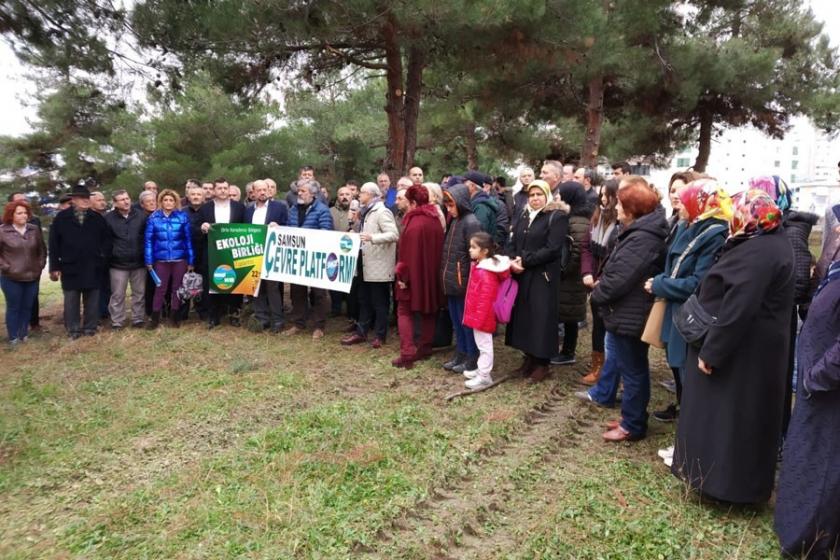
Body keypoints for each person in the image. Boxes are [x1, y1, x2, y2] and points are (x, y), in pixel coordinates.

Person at [671, 189, 794, 503]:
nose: (731, 219)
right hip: (752, 352)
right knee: (729, 419)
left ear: (750, 216)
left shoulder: (760, 251)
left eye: (736, 213)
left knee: (729, 422)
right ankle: (715, 481)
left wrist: (713, 352)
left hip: (743, 356)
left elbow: (739, 306)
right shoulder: (767, 241)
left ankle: (724, 487)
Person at [575, 177, 667, 442]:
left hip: (631, 312)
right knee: (630, 367)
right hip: (625, 311)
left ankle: (633, 424)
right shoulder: (638, 232)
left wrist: (598, 293)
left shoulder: (643, 238)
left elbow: (620, 278)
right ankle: (630, 417)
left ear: (632, 209)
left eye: (620, 204)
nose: (614, 207)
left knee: (633, 371)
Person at [646, 180, 729, 467]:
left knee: (689, 381)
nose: (677, 203)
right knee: (681, 378)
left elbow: (697, 282)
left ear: (700, 202)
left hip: (689, 314)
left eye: (684, 199)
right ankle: (684, 440)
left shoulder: (714, 233)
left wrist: (660, 284)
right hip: (676, 312)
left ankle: (689, 446)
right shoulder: (688, 225)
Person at [774, 260, 840, 560]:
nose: (837, 231)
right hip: (815, 387)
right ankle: (794, 529)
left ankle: (809, 542)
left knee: (822, 468)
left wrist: (818, 377)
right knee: (805, 457)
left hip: (828, 392)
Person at [504, 180, 568, 383]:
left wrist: (526, 260)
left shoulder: (556, 217)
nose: (535, 198)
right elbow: (513, 241)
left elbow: (552, 248)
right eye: (532, 195)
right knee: (525, 316)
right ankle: (529, 357)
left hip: (543, 275)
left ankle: (542, 363)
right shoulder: (524, 215)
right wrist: (512, 259)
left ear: (547, 195)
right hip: (522, 273)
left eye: (539, 194)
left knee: (541, 318)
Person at [393, 185, 445, 368]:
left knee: (404, 311)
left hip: (412, 277)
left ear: (413, 202)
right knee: (429, 310)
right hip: (430, 275)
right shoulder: (435, 221)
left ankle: (407, 352)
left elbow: (406, 255)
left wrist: (401, 278)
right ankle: (425, 346)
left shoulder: (412, 224)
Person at [48, 184, 110, 339]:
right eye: (81, 198)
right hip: (70, 265)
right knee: (71, 300)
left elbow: (107, 241)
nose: (85, 201)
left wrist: (102, 257)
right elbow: (54, 244)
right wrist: (54, 266)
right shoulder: (61, 218)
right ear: (73, 200)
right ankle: (73, 330)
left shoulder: (97, 218)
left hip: (93, 265)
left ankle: (90, 328)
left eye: (87, 198)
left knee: (92, 299)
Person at [341, 183, 398, 348]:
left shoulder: (382, 212)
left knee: (380, 303)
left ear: (372, 195)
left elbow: (393, 234)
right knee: (363, 299)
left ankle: (380, 335)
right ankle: (361, 332)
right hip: (365, 263)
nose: (359, 195)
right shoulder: (364, 212)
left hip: (379, 265)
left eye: (363, 192)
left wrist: (372, 238)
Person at [579, 180, 620, 385]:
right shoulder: (596, 218)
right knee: (597, 325)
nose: (603, 199)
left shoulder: (621, 224)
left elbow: (617, 256)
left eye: (608, 195)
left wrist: (602, 279)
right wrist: (587, 272)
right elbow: (586, 247)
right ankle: (597, 365)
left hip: (609, 282)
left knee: (610, 326)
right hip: (593, 281)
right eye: (601, 195)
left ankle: (611, 368)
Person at [284, 179, 334, 339]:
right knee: (297, 291)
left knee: (319, 292)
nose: (299, 193)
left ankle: (319, 326)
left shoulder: (322, 210)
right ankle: (298, 322)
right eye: (299, 191)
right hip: (298, 257)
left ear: (313, 193)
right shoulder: (293, 209)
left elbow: (326, 231)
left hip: (316, 258)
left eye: (303, 191)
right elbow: (288, 228)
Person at [441, 184, 482, 374]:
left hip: (464, 282)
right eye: (446, 205)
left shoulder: (471, 222)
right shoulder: (455, 221)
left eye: (451, 205)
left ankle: (471, 356)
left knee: (466, 321)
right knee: (456, 320)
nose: (448, 209)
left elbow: (475, 254)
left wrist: (469, 281)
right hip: (453, 280)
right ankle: (461, 352)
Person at [462, 232, 511, 389]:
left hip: (482, 316)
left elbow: (486, 298)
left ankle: (484, 376)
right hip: (479, 314)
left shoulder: (486, 272)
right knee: (481, 343)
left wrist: (479, 318)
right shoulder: (481, 267)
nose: (470, 249)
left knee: (484, 345)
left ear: (484, 251)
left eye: (473, 247)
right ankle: (481, 369)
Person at [198, 178, 246, 328]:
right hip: (212, 251)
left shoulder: (239, 207)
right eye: (219, 188)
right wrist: (202, 227)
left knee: (235, 281)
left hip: (233, 251)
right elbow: (196, 228)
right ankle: (214, 316)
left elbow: (245, 228)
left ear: (229, 189)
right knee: (212, 282)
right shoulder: (205, 208)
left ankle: (234, 314)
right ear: (213, 191)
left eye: (225, 188)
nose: (223, 191)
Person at [553, 181, 591, 366]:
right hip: (569, 277)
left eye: (562, 194)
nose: (559, 197)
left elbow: (576, 252)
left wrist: (563, 272)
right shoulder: (574, 217)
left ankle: (568, 352)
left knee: (569, 317)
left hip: (571, 278)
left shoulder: (578, 221)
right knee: (567, 315)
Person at [144, 189, 194, 329]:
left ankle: (174, 317)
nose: (168, 202)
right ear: (161, 202)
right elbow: (148, 241)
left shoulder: (182, 217)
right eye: (165, 200)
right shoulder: (153, 218)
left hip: (180, 260)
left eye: (171, 200)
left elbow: (188, 240)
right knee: (160, 289)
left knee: (176, 289)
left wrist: (190, 260)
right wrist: (148, 260)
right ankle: (154, 319)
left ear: (175, 202)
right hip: (161, 260)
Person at [245, 179, 288, 332]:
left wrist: (279, 227)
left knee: (273, 288)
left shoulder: (279, 207)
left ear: (269, 191)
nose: (263, 192)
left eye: (266, 189)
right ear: (253, 193)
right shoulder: (249, 210)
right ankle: (261, 318)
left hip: (272, 253)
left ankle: (278, 320)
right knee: (256, 285)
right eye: (259, 190)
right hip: (253, 252)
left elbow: (288, 226)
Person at [0, 201, 46, 344]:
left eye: (25, 212)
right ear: (11, 215)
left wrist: (40, 265)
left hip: (32, 275)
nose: (23, 215)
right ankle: (13, 336)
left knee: (27, 305)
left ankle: (23, 334)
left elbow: (41, 250)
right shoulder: (2, 231)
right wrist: (5, 266)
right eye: (19, 213)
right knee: (14, 306)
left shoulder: (34, 229)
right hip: (11, 276)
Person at [104, 190, 148, 329]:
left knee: (139, 292)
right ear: (115, 203)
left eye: (127, 198)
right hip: (117, 263)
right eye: (121, 199)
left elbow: (146, 237)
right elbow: (105, 241)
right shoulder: (108, 218)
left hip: (138, 261)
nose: (126, 201)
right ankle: (117, 320)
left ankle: (138, 318)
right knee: (117, 294)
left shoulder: (141, 216)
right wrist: (111, 254)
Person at [8, 192, 43, 331]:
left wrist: (41, 263)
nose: (24, 202)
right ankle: (15, 331)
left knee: (32, 298)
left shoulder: (35, 222)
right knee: (15, 301)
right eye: (20, 201)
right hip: (12, 270)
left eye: (25, 200)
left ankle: (33, 324)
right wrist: (5, 266)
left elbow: (41, 245)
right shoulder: (3, 225)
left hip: (33, 267)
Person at [463, 171, 498, 238]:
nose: (462, 186)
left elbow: (478, 235)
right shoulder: (475, 202)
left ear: (472, 186)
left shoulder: (481, 207)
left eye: (464, 183)